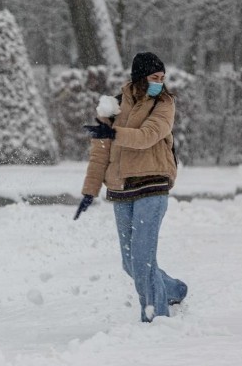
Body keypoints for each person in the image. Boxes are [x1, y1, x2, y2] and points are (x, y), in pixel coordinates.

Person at [75, 51, 187, 323]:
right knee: (131, 263)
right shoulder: (111, 106)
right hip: (122, 189)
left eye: (162, 77)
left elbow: (148, 136)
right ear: (140, 77)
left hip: (154, 184)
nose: (160, 82)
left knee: (143, 259)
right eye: (154, 77)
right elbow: (100, 154)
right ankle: (173, 289)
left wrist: (113, 133)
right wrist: (89, 191)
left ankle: (155, 317)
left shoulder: (164, 103)